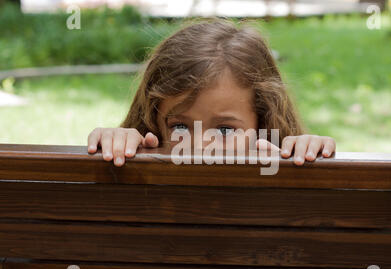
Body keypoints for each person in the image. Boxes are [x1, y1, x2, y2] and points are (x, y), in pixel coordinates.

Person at [87, 19, 336, 167]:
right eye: (180, 127)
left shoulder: (276, 166)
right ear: (153, 125)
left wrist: (303, 159)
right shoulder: (145, 180)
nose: (199, 145)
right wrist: (118, 148)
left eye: (225, 130)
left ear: (264, 123)